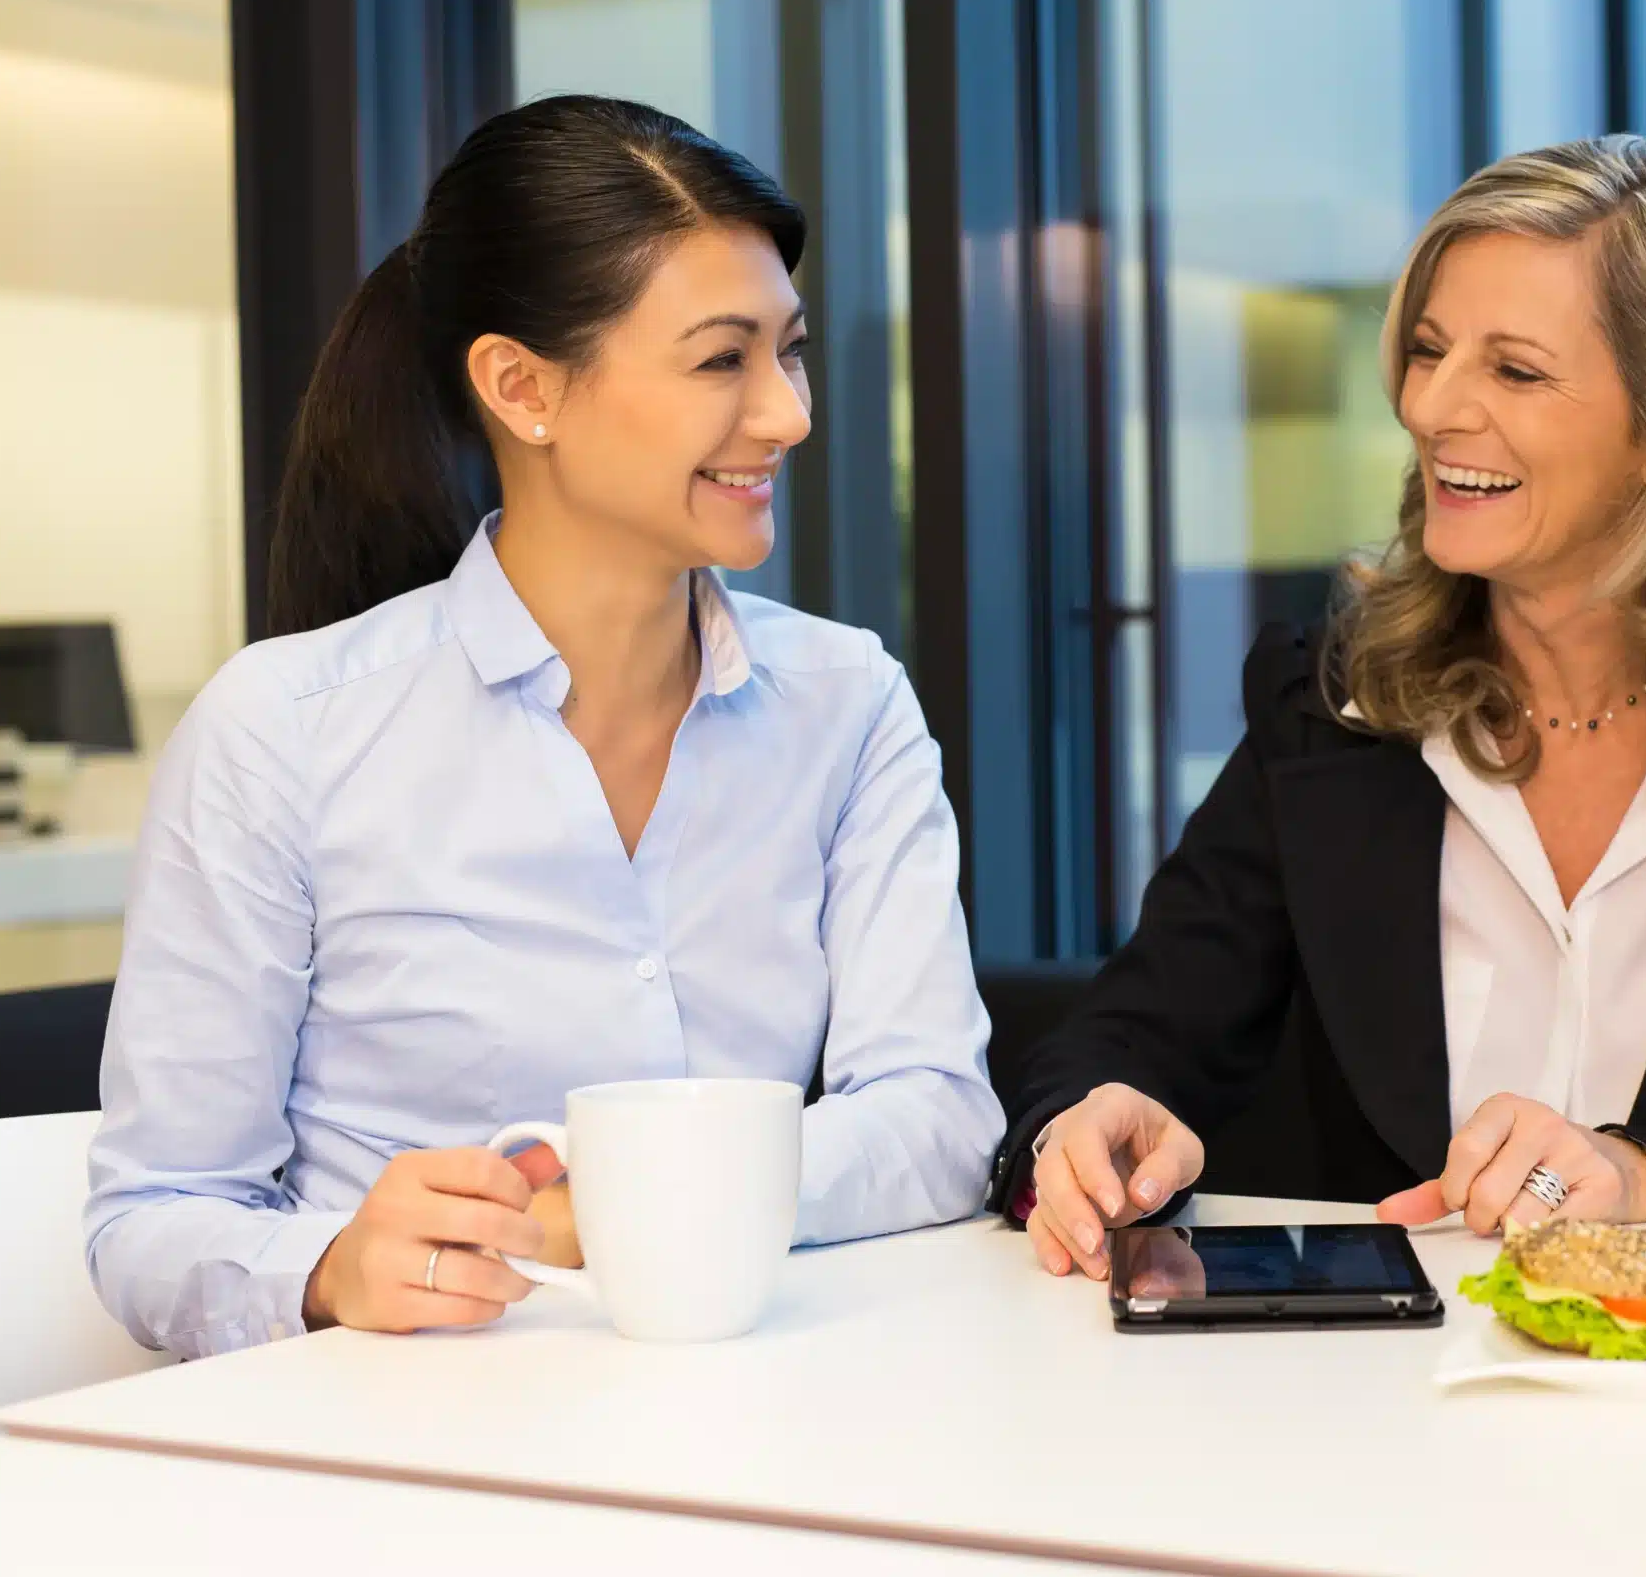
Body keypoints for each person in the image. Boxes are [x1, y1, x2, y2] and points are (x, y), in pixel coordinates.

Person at [86, 96, 1004, 1358]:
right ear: (522, 387)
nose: (786, 414)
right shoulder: (282, 730)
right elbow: (155, 1217)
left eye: (787, 351)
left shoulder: (849, 704)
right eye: (719, 360)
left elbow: (938, 1120)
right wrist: (334, 1265)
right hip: (393, 1455)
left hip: (763, 1416)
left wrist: (626, 1195)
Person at [992, 136, 1646, 1280]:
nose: (1431, 406)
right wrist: (1090, 1120)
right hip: (1394, 1414)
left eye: (1515, 372)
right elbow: (1137, 1027)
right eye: (1428, 352)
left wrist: (1644, 1173)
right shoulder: (1327, 707)